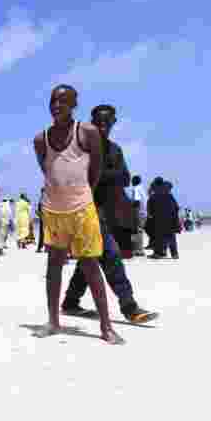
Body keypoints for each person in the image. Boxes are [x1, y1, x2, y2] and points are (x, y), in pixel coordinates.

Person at [33, 84, 123, 345]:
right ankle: (53, 321)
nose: (56, 105)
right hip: (52, 209)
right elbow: (47, 169)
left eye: (63, 101)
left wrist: (84, 194)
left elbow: (95, 170)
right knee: (53, 266)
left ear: (74, 104)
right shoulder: (41, 139)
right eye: (53, 101)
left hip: (82, 208)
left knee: (90, 265)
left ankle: (106, 326)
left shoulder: (87, 132)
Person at [60, 105, 157, 324]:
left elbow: (125, 178)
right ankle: (130, 307)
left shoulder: (115, 149)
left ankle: (70, 302)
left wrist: (102, 174)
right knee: (111, 256)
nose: (103, 127)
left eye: (107, 123)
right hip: (84, 211)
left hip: (107, 212)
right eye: (99, 123)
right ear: (92, 122)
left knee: (90, 258)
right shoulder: (81, 149)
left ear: (113, 123)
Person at [148, 181, 181, 259]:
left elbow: (150, 209)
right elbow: (176, 207)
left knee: (159, 237)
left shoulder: (154, 195)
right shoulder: (170, 196)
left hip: (159, 220)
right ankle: (174, 254)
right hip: (171, 220)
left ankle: (159, 253)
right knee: (171, 237)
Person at [126, 175, 147, 257]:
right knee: (140, 231)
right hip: (144, 213)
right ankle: (139, 249)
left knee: (137, 231)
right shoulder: (142, 188)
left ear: (134, 181)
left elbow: (137, 202)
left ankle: (138, 250)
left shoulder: (136, 189)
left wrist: (130, 208)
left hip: (139, 213)